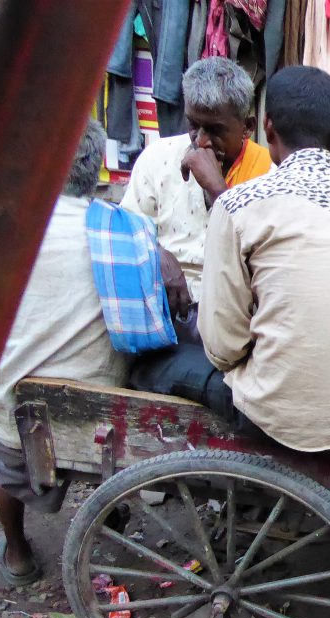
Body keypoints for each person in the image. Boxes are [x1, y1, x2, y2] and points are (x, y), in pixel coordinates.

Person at [196, 66, 330, 451]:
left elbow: (223, 348)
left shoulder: (237, 204)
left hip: (273, 418)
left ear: (268, 129)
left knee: (163, 365)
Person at [0, 120, 129, 586]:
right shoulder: (126, 228)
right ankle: (112, 513)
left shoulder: (11, 232)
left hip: (24, 413)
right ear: (96, 171)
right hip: (106, 407)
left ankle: (16, 553)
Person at [123, 57, 274, 407]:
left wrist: (219, 191)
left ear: (248, 126)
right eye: (194, 126)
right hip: (162, 328)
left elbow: (269, 271)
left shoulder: (271, 175)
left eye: (215, 130)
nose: (201, 142)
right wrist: (156, 254)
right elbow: (125, 232)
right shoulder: (158, 158)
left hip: (236, 338)